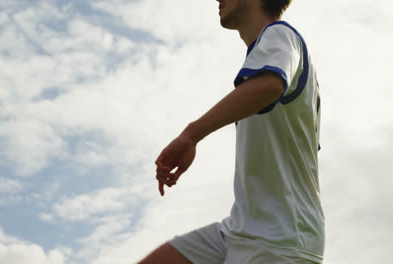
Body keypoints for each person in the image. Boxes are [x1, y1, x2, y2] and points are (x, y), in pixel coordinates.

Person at [139, 0, 324, 263]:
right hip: (241, 230)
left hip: (281, 240)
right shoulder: (268, 54)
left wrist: (191, 135)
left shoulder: (280, 35)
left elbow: (271, 84)